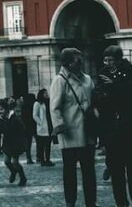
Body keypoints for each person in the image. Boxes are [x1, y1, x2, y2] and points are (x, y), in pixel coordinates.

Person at [97, 45, 132, 207]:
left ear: (118, 59)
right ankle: (121, 203)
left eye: (110, 59)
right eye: (105, 59)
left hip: (128, 126)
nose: (107, 63)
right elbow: (99, 97)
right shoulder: (102, 73)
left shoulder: (129, 71)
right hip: (110, 127)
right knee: (115, 169)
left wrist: (113, 86)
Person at [50, 47, 98, 207]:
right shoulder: (60, 81)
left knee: (89, 171)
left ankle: (91, 202)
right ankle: (70, 202)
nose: (81, 61)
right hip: (70, 132)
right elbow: (54, 107)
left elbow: (94, 101)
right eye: (78, 59)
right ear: (69, 63)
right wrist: (59, 126)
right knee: (69, 171)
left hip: (87, 130)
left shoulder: (87, 79)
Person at [0, 98, 28, 186]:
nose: (0, 111)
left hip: (15, 143)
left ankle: (23, 177)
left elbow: (22, 127)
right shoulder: (0, 118)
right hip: (6, 142)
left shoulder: (14, 117)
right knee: (6, 161)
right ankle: (13, 172)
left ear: (6, 109)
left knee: (15, 162)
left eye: (1, 109)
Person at [32, 89, 55, 166]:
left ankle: (47, 159)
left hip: (49, 125)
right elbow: (35, 115)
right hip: (42, 127)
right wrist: (40, 123)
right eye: (45, 93)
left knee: (48, 144)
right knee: (41, 145)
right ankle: (42, 160)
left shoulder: (48, 102)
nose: (46, 94)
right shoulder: (37, 103)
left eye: (47, 93)